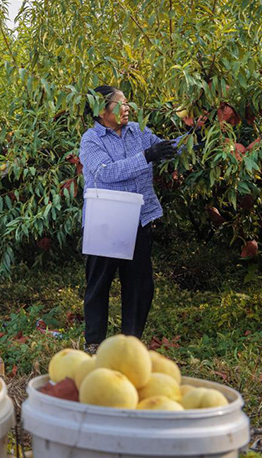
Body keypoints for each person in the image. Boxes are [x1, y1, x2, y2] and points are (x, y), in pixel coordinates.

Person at [79, 86, 178, 353]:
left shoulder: (139, 131)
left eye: (127, 103)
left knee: (139, 285)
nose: (126, 108)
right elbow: (105, 173)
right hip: (106, 220)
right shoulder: (91, 140)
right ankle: (94, 343)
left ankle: (130, 343)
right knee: (99, 283)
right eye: (120, 104)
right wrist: (147, 157)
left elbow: (164, 148)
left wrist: (198, 138)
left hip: (140, 218)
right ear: (102, 110)